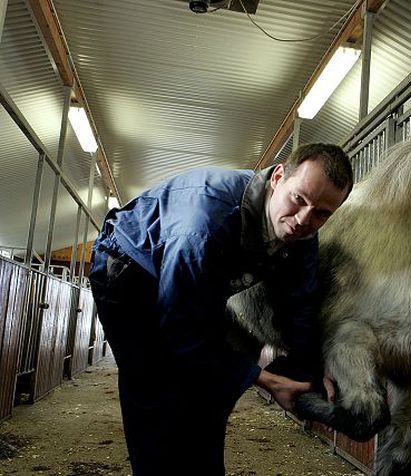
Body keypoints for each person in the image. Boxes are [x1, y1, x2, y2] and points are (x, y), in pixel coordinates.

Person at [88, 143, 353, 475]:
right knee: (156, 385)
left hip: (190, 282)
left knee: (207, 391)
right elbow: (182, 329)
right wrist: (265, 379)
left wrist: (315, 367)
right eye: (299, 199)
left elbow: (300, 302)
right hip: (128, 270)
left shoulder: (301, 237)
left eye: (321, 213)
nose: (304, 219)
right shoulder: (206, 224)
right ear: (279, 177)